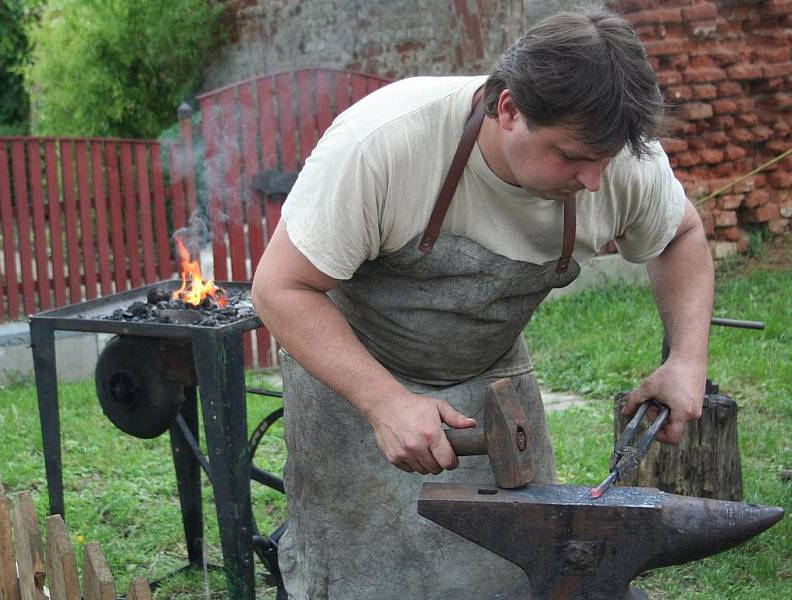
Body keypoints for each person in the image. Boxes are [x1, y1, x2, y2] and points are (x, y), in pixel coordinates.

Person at [252, 5, 714, 599]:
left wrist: (687, 361)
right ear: (509, 109)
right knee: (366, 582)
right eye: (571, 157)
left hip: (493, 389)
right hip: (354, 391)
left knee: (526, 576)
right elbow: (279, 288)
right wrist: (385, 402)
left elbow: (681, 236)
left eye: (604, 160)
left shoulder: (617, 161)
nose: (595, 180)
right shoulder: (386, 143)